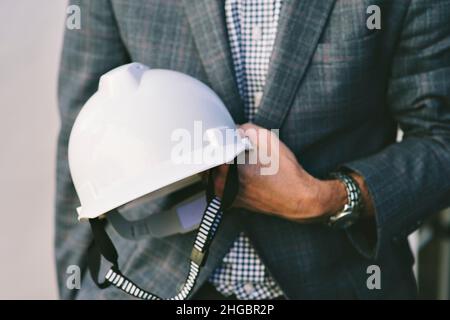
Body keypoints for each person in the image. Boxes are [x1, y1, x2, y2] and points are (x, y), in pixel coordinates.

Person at [56, 0, 450, 299]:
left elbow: (440, 137)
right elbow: (83, 135)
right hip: (150, 280)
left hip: (339, 281)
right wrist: (76, 287)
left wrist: (327, 199)